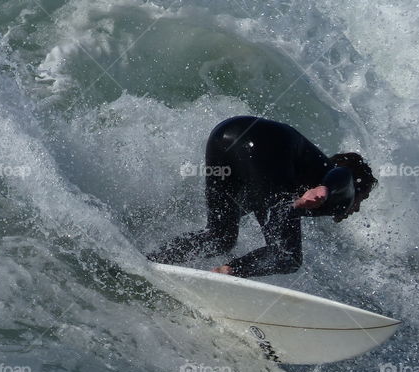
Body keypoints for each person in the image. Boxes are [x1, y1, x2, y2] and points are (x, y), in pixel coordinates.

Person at [147, 115, 377, 278]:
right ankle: (227, 272)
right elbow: (344, 175)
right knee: (287, 257)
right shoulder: (334, 181)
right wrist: (325, 189)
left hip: (224, 135)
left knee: (220, 236)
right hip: (264, 144)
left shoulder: (286, 176)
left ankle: (151, 261)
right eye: (362, 198)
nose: (356, 209)